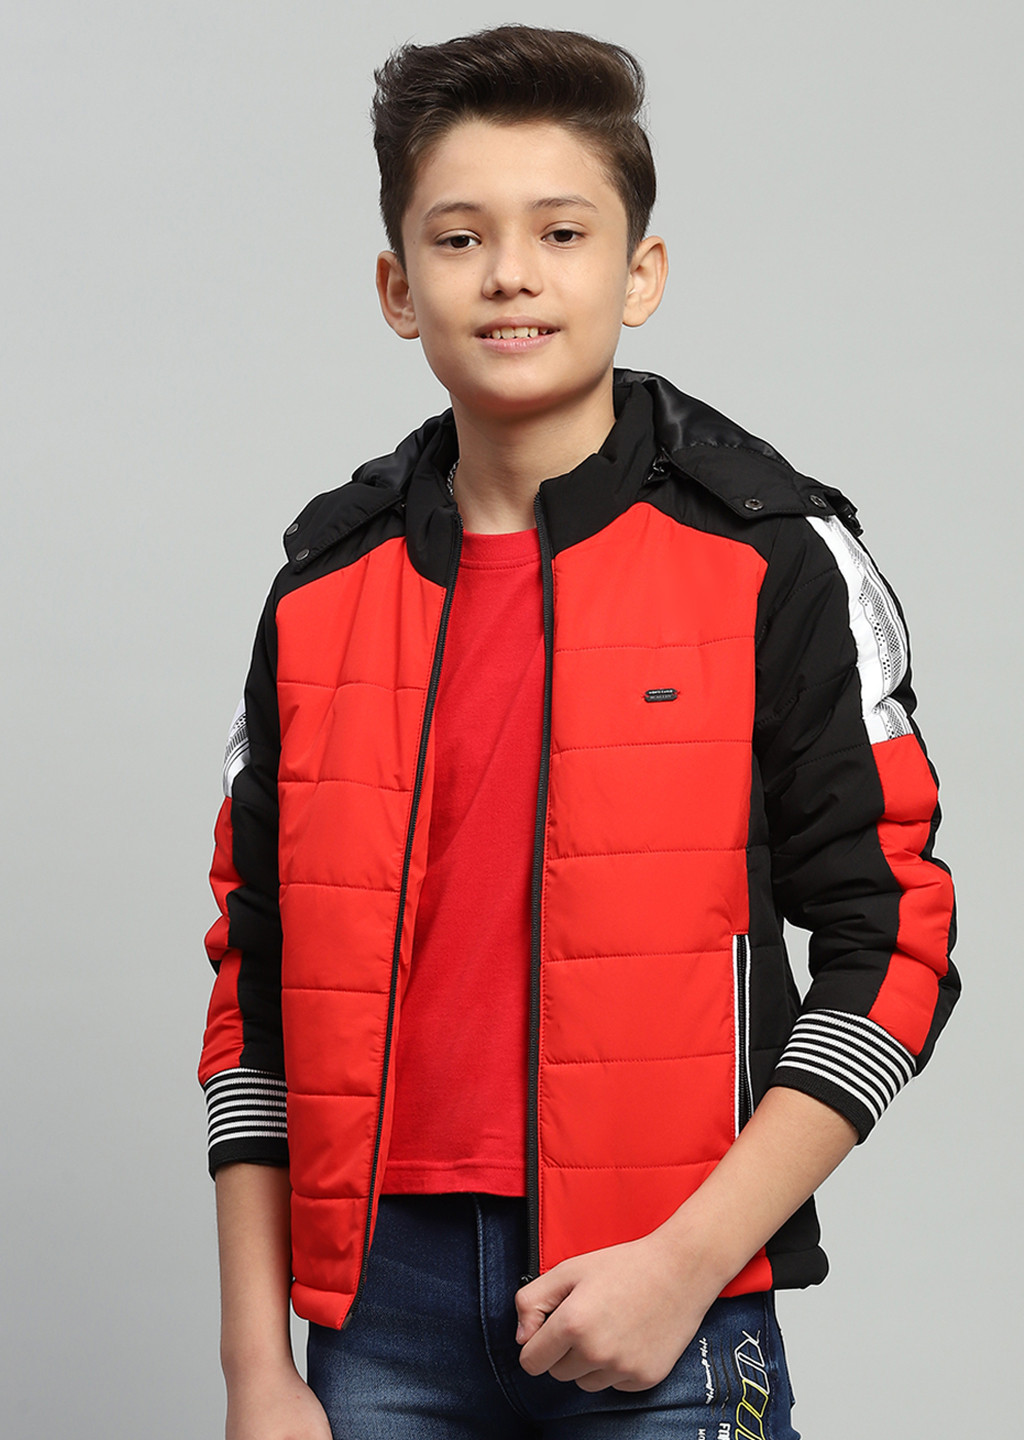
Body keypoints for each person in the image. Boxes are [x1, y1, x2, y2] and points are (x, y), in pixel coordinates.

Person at [199, 24, 959, 1440]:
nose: (511, 274)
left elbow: (897, 942)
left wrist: (687, 1264)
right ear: (397, 286)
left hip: (664, 1301)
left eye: (561, 232)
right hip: (373, 1316)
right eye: (460, 238)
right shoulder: (317, 591)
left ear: (639, 273)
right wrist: (258, 1364)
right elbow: (254, 987)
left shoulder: (772, 558)